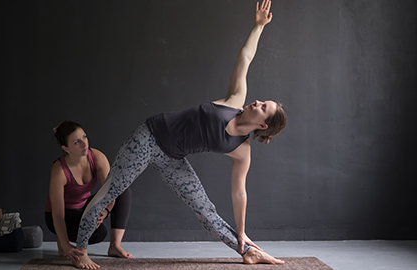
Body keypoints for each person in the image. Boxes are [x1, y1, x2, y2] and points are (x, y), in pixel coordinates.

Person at [67, 1, 286, 268]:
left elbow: (239, 194)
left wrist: (241, 231)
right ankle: (81, 253)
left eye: (264, 108)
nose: (258, 102)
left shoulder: (242, 150)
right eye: (262, 101)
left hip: (172, 157)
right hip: (149, 137)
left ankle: (247, 251)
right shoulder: (235, 99)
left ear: (263, 126)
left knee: (205, 210)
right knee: (111, 190)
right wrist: (258, 27)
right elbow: (245, 57)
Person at [45, 120, 133, 262]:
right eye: (76, 142)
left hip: (84, 207)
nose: (85, 144)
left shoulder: (97, 157)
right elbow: (58, 214)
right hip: (63, 215)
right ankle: (63, 239)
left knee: (122, 190)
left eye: (84, 137)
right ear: (66, 148)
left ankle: (115, 245)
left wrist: (106, 211)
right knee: (98, 234)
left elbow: (111, 191)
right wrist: (66, 245)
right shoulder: (59, 170)